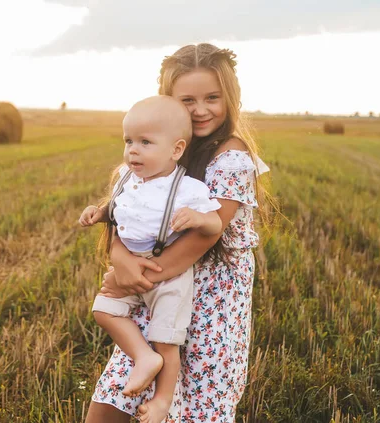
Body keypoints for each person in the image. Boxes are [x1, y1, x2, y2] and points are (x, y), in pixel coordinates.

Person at [86, 43, 273, 423]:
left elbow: (204, 237)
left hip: (211, 306)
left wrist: (134, 279)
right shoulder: (160, 151)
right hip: (156, 289)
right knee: (114, 403)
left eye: (212, 98)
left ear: (230, 98)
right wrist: (121, 259)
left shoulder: (231, 156)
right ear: (167, 101)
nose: (201, 109)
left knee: (192, 406)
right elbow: (129, 214)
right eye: (187, 99)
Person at [79, 95, 223, 423]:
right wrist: (98, 214)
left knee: (166, 341)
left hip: (168, 275)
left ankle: (161, 401)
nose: (133, 150)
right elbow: (118, 213)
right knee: (103, 310)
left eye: (145, 142)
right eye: (128, 141)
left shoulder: (187, 188)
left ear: (175, 150)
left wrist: (197, 218)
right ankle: (143, 357)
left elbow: (215, 224)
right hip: (131, 265)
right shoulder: (128, 180)